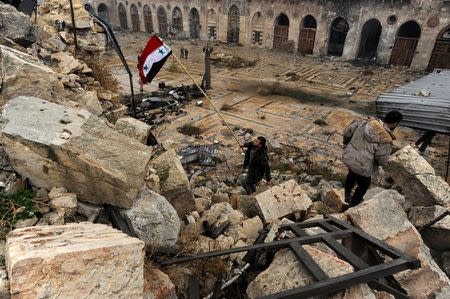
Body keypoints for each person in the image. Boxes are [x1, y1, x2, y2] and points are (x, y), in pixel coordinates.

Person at [342, 111, 403, 209]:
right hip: (363, 166)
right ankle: (354, 203)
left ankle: (347, 194)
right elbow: (382, 161)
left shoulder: (366, 122)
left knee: (352, 173)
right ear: (395, 123)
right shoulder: (386, 139)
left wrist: (347, 145)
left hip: (349, 157)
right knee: (364, 183)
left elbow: (348, 132)